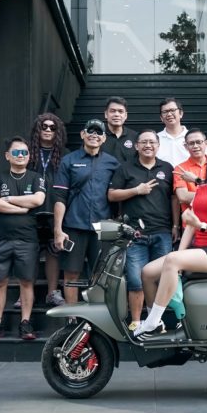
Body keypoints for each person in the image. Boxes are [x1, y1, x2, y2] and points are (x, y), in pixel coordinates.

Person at [133, 143, 207, 338]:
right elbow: (191, 226)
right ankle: (155, 321)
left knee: (172, 260)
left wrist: (202, 226)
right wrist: (179, 254)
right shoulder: (202, 188)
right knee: (147, 272)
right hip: (200, 249)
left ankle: (150, 322)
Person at [108, 129, 176, 329]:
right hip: (134, 234)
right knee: (136, 281)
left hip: (162, 232)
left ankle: (155, 322)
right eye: (144, 142)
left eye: (152, 142)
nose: (148, 145)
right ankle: (136, 322)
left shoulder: (167, 168)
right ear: (136, 146)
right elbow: (112, 195)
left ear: (158, 145)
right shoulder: (125, 168)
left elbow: (174, 198)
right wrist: (136, 190)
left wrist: (175, 225)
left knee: (161, 280)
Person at [0, 136, 46, 341]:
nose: (21, 156)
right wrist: (21, 209)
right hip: (0, 238)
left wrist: (8, 199)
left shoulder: (36, 177)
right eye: (16, 152)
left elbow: (38, 199)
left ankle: (25, 323)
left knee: (26, 282)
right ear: (7, 156)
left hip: (27, 239)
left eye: (24, 152)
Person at [53, 119, 120, 305]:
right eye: (90, 131)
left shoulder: (112, 163)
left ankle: (97, 314)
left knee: (100, 273)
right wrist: (58, 230)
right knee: (71, 273)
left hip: (102, 227)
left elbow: (117, 195)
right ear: (82, 134)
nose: (94, 135)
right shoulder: (69, 160)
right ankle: (72, 316)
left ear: (104, 138)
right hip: (73, 225)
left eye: (99, 132)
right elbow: (59, 197)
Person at [29, 113, 69, 307]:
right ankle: (26, 293)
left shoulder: (65, 154)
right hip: (31, 210)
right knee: (29, 253)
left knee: (54, 251)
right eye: (44, 126)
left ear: (58, 131)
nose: (47, 130)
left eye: (52, 128)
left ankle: (52, 292)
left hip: (55, 208)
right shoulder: (27, 152)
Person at [173, 128, 207, 221]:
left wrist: (196, 180)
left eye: (199, 142)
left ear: (206, 143)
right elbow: (183, 197)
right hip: (191, 222)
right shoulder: (180, 169)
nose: (195, 146)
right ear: (186, 146)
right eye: (191, 143)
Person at [100, 96, 138, 164]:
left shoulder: (135, 136)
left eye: (120, 111)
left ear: (125, 115)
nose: (116, 114)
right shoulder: (97, 136)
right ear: (106, 114)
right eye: (112, 111)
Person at [156, 97, 189, 166]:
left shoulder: (193, 138)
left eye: (172, 110)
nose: (169, 114)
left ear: (181, 113)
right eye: (165, 112)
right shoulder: (155, 139)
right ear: (161, 118)